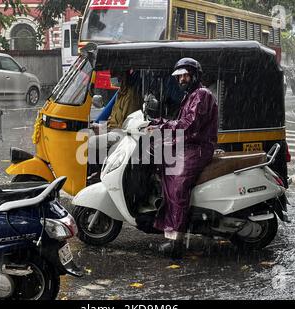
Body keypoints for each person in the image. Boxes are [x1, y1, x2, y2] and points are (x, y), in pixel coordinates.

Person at [148, 58, 218, 259]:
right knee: (157, 159)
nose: (182, 79)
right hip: (187, 145)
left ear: (195, 75)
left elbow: (189, 125)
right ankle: (164, 217)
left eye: (185, 75)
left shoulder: (202, 95)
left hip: (198, 148)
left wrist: (163, 127)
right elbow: (181, 122)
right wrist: (159, 122)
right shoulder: (191, 96)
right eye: (179, 76)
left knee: (178, 182)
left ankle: (176, 239)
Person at [88, 70, 143, 165]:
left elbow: (126, 125)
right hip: (113, 130)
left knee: (91, 141)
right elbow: (112, 118)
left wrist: (104, 129)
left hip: (123, 134)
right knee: (87, 133)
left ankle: (98, 171)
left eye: (118, 76)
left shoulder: (131, 95)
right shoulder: (120, 93)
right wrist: (101, 127)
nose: (116, 79)